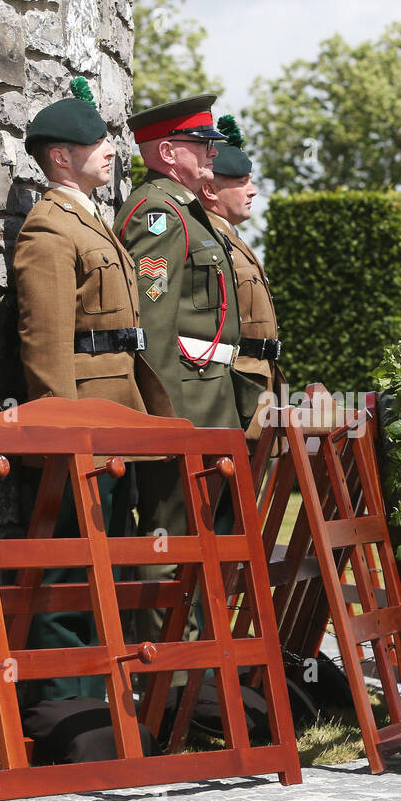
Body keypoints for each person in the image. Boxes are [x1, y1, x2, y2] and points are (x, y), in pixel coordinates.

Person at [11, 91, 173, 705]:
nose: (111, 151)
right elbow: (45, 344)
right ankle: (61, 704)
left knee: (106, 557)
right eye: (95, 143)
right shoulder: (51, 227)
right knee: (70, 566)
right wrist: (63, 434)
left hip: (117, 413)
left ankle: (98, 695)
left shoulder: (90, 219)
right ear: (60, 157)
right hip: (81, 424)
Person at [114, 95, 244, 648]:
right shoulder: (157, 213)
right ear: (167, 152)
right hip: (185, 404)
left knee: (200, 543)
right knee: (170, 542)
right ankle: (167, 678)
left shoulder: (187, 211)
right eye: (200, 145)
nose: (212, 154)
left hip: (209, 397)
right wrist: (166, 420)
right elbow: (152, 328)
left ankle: (196, 676)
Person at [198, 115, 282, 442]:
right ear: (209, 189)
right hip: (234, 390)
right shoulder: (208, 241)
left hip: (256, 384)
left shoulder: (232, 238)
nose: (254, 191)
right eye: (242, 182)